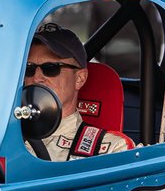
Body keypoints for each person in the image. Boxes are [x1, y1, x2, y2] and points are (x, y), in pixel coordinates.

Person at [23, 23, 132, 161]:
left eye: (51, 68)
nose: (37, 78)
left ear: (80, 79)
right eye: (29, 69)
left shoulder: (110, 150)